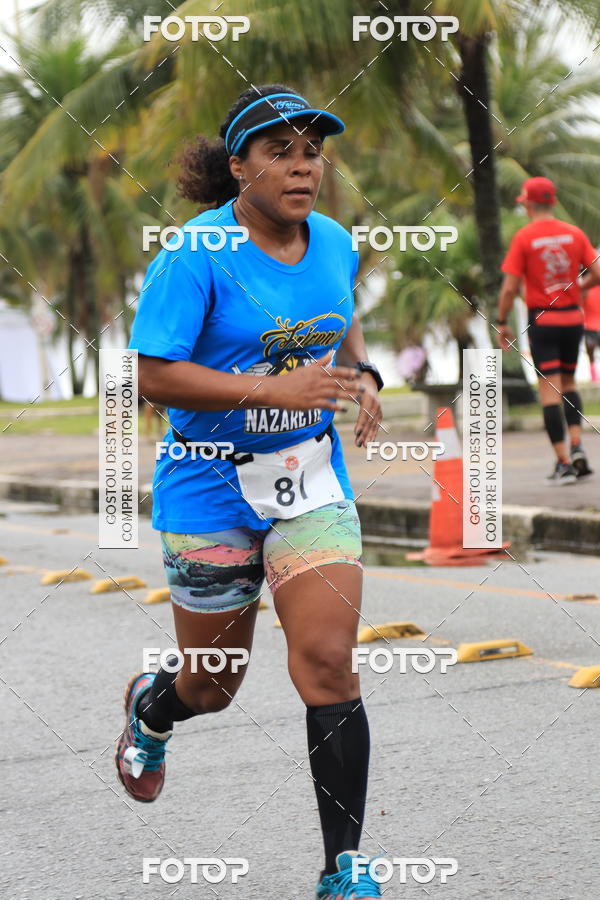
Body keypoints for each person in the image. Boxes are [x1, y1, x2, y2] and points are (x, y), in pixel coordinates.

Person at [115, 84, 386, 899]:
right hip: (206, 485)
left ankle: (343, 870)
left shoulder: (334, 240)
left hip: (308, 474)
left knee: (330, 663)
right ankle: (156, 709)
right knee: (214, 683)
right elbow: (150, 374)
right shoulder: (193, 255)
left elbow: (339, 320)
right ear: (241, 167)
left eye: (311, 150)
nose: (301, 166)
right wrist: (273, 391)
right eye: (280, 151)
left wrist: (360, 374)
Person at [496, 176, 600, 484]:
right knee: (569, 384)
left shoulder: (524, 238)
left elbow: (509, 288)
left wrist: (502, 322)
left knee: (549, 392)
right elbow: (596, 272)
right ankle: (578, 447)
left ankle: (564, 462)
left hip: (543, 320)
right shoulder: (574, 234)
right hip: (572, 320)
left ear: (528, 204)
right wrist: (579, 289)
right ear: (552, 202)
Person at [583, 278, 600, 382]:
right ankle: (594, 375)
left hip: (589, 327)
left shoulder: (585, 291)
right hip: (591, 326)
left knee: (591, 354)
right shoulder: (587, 291)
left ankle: (593, 375)